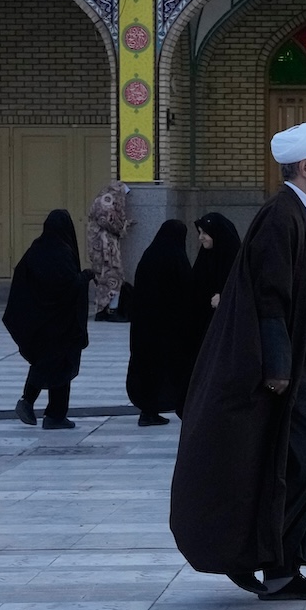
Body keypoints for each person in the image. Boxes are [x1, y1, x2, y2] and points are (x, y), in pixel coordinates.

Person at [170, 119, 306, 601]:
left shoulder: (299, 213)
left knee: (304, 463)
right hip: (290, 375)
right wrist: (277, 371)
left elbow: (293, 273)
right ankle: (255, 555)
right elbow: (269, 296)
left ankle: (281, 569)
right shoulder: (280, 215)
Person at [3, 209, 93, 430]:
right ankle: (42, 408)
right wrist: (86, 277)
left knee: (51, 364)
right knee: (56, 364)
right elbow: (68, 286)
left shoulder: (37, 249)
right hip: (59, 324)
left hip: (41, 320)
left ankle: (48, 411)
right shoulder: (62, 253)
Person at [128, 220, 196, 426]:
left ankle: (148, 409)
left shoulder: (149, 256)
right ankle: (154, 409)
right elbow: (185, 289)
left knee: (147, 366)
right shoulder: (175, 257)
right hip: (166, 327)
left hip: (144, 325)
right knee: (162, 367)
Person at [191, 211, 241, 355]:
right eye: (200, 233)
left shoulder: (233, 260)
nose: (201, 238)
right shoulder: (204, 258)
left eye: (205, 233)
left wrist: (224, 296)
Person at [88, 181, 132, 321]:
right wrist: (123, 226)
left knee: (102, 278)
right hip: (106, 249)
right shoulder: (107, 202)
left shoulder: (102, 200)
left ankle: (102, 309)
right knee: (113, 277)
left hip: (98, 248)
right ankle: (112, 310)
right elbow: (110, 222)